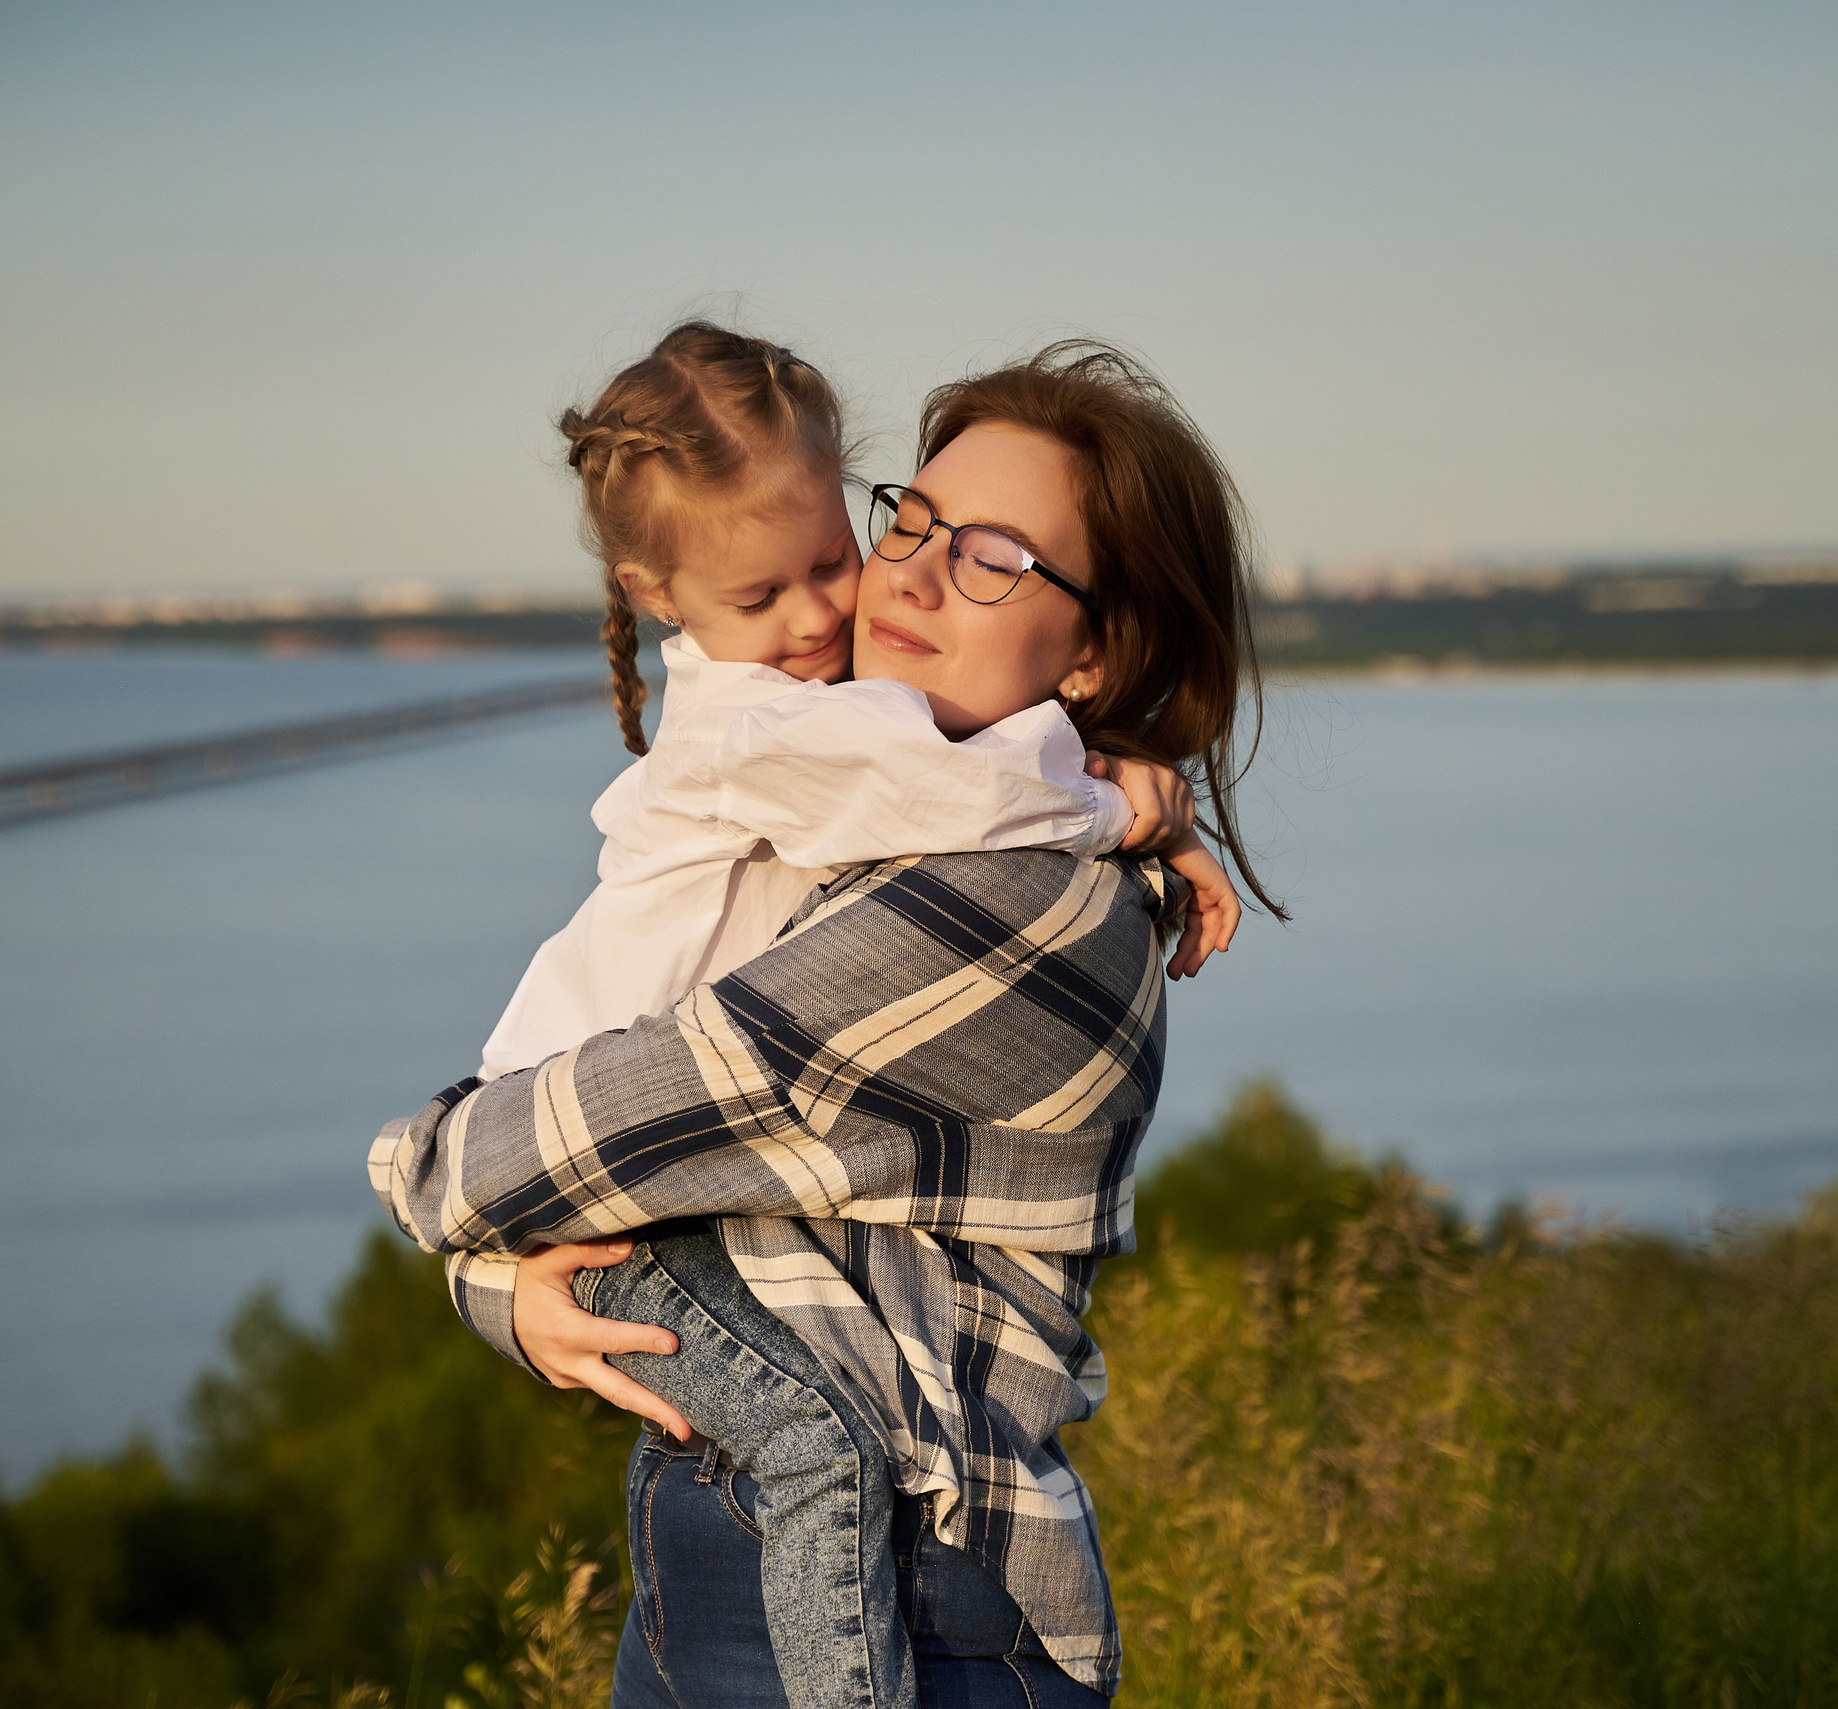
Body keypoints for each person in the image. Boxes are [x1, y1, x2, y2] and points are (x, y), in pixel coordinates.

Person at [371, 340, 1282, 1704]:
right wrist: (1127, 789)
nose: (907, 575)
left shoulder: (1020, 903)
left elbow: (524, 1157)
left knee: (814, 1446)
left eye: (994, 558)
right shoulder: (835, 776)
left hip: (913, 1591)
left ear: (1098, 649)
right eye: (911, 520)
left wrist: (448, 1194)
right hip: (706, 1560)